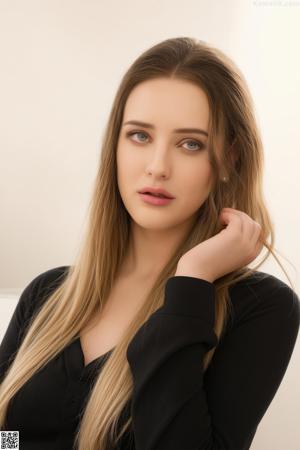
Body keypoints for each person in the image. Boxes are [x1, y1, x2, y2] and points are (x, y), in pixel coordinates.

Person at [0, 37, 299, 450]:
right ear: (116, 147)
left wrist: (192, 282)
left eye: (190, 144)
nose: (158, 167)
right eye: (139, 136)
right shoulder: (47, 294)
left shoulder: (260, 309)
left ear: (230, 160)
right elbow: (5, 434)